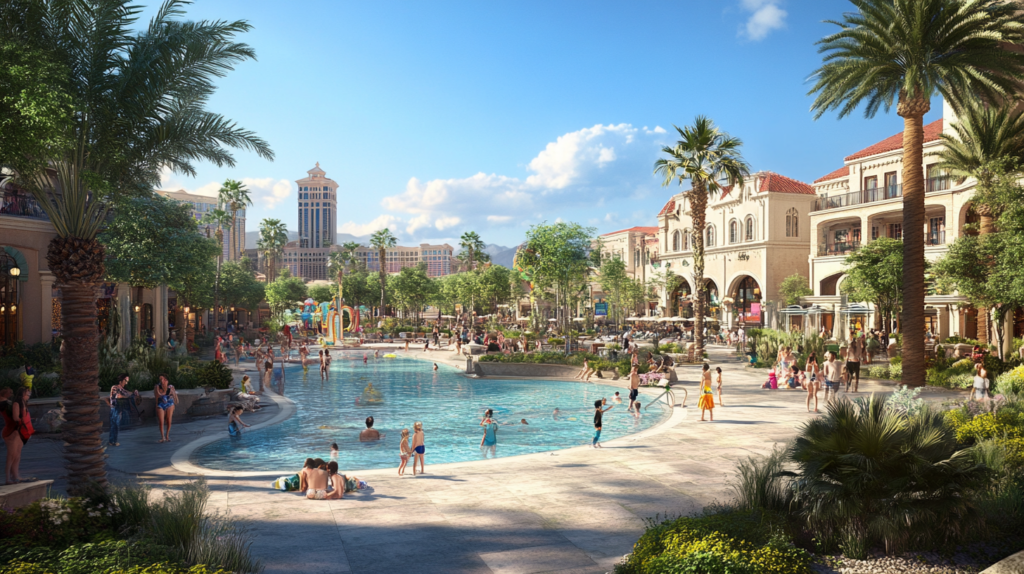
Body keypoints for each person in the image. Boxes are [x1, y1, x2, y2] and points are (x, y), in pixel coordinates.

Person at [3, 386, 32, 484]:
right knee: (11, 455)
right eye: (27, 393)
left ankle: (16, 476)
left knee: (17, 455)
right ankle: (7, 478)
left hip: (21, 432)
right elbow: (16, 418)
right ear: (22, 394)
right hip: (13, 432)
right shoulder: (17, 404)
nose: (29, 395)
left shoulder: (24, 404)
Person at [106, 373, 135, 447]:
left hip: (118, 408)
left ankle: (113, 440)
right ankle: (112, 441)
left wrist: (134, 393)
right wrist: (127, 396)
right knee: (114, 424)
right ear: (121, 380)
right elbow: (118, 396)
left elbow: (129, 394)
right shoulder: (115, 387)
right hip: (114, 408)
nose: (126, 382)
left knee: (115, 425)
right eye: (125, 380)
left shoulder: (122, 389)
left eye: (127, 381)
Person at [154, 374, 178, 443]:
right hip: (161, 403)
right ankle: (162, 437)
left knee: (168, 420)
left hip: (169, 403)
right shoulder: (157, 387)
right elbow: (157, 397)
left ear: (167, 380)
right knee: (161, 421)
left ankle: (167, 436)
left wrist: (173, 393)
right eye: (161, 379)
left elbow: (176, 400)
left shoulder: (171, 387)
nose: (162, 381)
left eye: (164, 379)